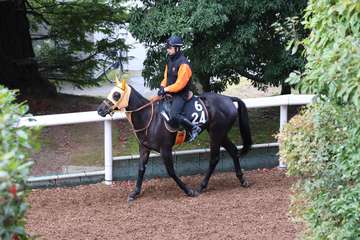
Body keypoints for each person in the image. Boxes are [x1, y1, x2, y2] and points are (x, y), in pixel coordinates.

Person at [158, 35, 201, 142]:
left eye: (170, 47)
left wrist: (166, 90)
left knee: (174, 115)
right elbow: (165, 77)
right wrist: (162, 86)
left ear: (177, 49)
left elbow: (180, 84)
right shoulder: (170, 60)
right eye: (167, 47)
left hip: (181, 94)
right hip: (170, 92)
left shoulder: (184, 64)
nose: (167, 49)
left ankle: (194, 128)